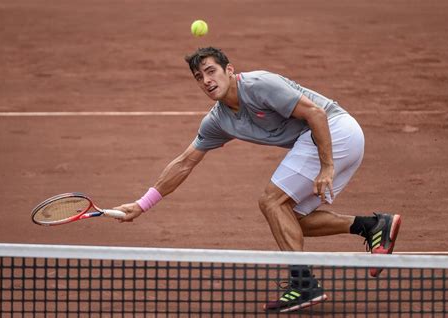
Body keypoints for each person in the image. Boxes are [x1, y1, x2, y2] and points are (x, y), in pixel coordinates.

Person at [113, 47, 401, 313]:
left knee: (271, 201)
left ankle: (303, 284)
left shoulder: (259, 84)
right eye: (199, 77)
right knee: (288, 219)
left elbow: (315, 113)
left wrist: (327, 167)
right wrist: (142, 205)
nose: (206, 80)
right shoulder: (218, 120)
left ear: (229, 70)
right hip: (328, 140)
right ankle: (373, 225)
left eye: (211, 71)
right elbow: (185, 162)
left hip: (336, 130)